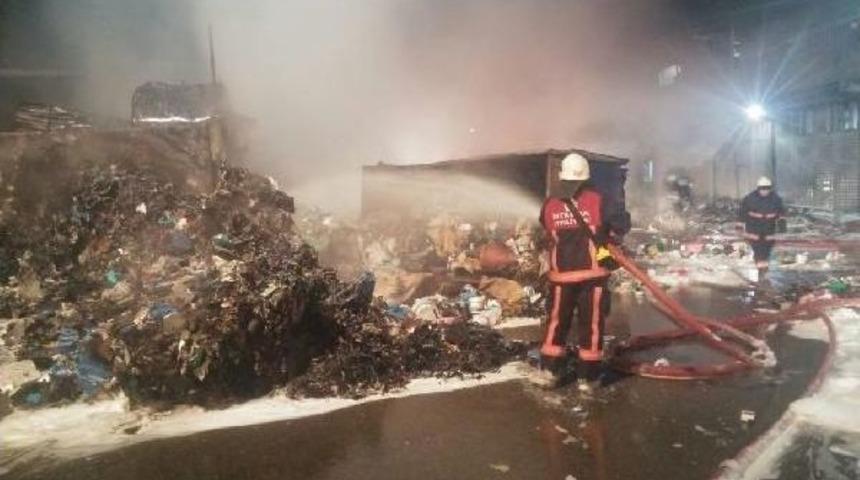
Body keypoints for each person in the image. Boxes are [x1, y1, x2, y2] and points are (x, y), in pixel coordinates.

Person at [533, 152, 631, 390]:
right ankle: (588, 377)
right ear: (586, 177)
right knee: (592, 324)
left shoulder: (550, 204)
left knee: (557, 322)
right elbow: (621, 224)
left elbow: (546, 228)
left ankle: (549, 371)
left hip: (561, 275)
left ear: (562, 177)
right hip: (593, 275)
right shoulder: (600, 200)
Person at [739, 176, 785, 282]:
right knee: (758, 250)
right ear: (758, 188)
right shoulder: (750, 198)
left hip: (769, 230)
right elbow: (742, 213)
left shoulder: (776, 199)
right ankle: (762, 272)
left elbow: (781, 213)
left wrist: (782, 227)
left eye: (767, 188)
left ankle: (763, 270)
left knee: (766, 251)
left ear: (770, 188)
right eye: (762, 188)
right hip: (754, 229)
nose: (765, 191)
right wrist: (740, 226)